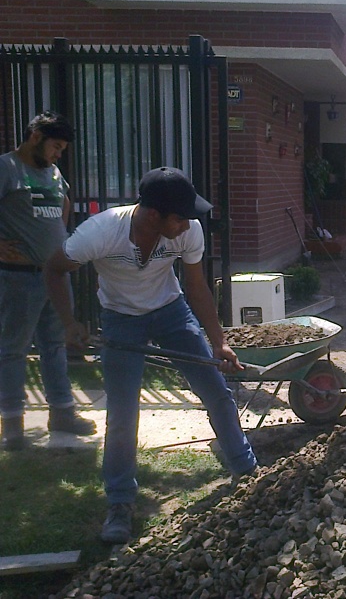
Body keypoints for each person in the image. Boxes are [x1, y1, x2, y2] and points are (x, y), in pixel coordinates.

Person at [44, 166, 258, 543]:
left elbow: (196, 287)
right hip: (120, 318)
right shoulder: (101, 232)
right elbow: (55, 268)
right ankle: (120, 502)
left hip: (171, 310)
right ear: (154, 214)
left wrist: (218, 342)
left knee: (214, 389)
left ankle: (248, 473)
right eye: (181, 216)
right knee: (123, 413)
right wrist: (69, 323)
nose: (189, 224)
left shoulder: (187, 231)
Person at [0, 111, 96, 451]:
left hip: (53, 278)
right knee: (12, 350)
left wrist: (60, 243)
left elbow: (64, 204)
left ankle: (63, 412)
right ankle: (12, 423)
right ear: (36, 137)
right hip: (17, 279)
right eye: (56, 146)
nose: (58, 155)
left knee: (56, 345)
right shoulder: (7, 169)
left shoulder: (53, 173)